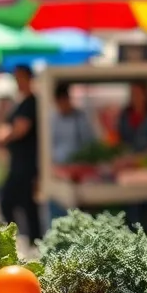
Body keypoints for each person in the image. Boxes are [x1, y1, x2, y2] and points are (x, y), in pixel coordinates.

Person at [0, 64, 41, 240]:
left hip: (27, 163)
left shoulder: (31, 103)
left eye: (20, 78)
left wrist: (6, 135)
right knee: (24, 204)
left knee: (14, 203)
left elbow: (20, 129)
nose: (18, 82)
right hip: (19, 162)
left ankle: (30, 240)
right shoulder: (21, 102)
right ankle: (32, 239)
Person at [117, 81, 147, 232]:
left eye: (138, 94)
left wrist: (141, 157)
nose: (136, 97)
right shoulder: (125, 115)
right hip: (130, 170)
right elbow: (120, 141)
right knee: (131, 206)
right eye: (133, 94)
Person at [48, 82, 94, 221]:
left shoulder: (80, 118)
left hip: (79, 172)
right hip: (58, 171)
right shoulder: (52, 120)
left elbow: (89, 143)